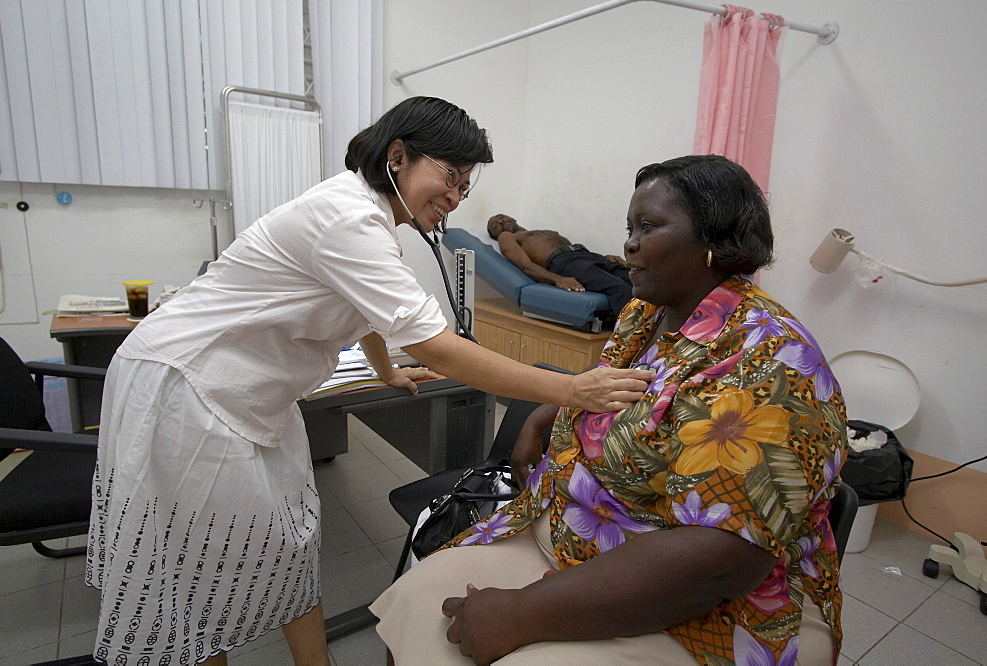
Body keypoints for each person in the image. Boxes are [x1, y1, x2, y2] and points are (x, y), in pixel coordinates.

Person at [85, 96, 653, 666]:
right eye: (450, 177)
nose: (455, 198)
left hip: (246, 395)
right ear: (398, 156)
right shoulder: (348, 217)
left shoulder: (370, 219)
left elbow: (375, 313)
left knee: (291, 541)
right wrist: (574, 390)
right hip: (186, 383)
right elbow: (437, 344)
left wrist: (387, 371)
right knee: (197, 568)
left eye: (465, 186)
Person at [372, 154, 849, 665]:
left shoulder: (770, 363)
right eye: (630, 227)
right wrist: (549, 414)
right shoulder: (648, 313)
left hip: (704, 603)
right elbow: (614, 390)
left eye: (648, 226)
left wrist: (520, 614)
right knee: (421, 598)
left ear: (715, 237)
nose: (629, 243)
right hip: (574, 530)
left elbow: (720, 563)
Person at [487, 213, 634, 315]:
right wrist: (558, 279)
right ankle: (635, 346)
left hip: (584, 255)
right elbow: (525, 265)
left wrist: (604, 258)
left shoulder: (538, 232)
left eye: (500, 217)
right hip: (565, 262)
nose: (500, 222)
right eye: (495, 226)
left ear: (512, 218)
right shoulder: (507, 237)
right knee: (619, 289)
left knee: (635, 280)